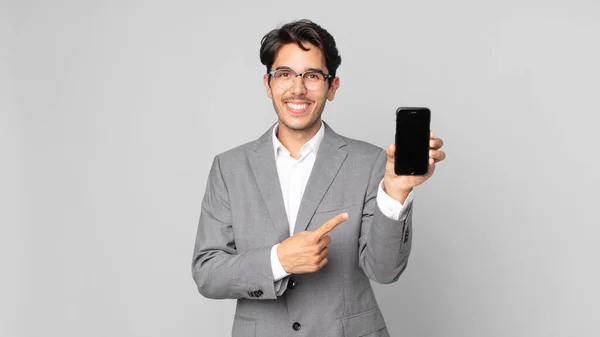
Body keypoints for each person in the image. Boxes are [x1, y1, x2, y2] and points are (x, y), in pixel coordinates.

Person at [192, 19, 446, 337]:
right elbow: (207, 273)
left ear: (332, 86)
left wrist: (395, 191)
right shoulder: (228, 168)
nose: (298, 88)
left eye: (312, 76)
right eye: (285, 74)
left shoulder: (370, 162)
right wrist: (278, 261)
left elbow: (384, 271)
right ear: (268, 84)